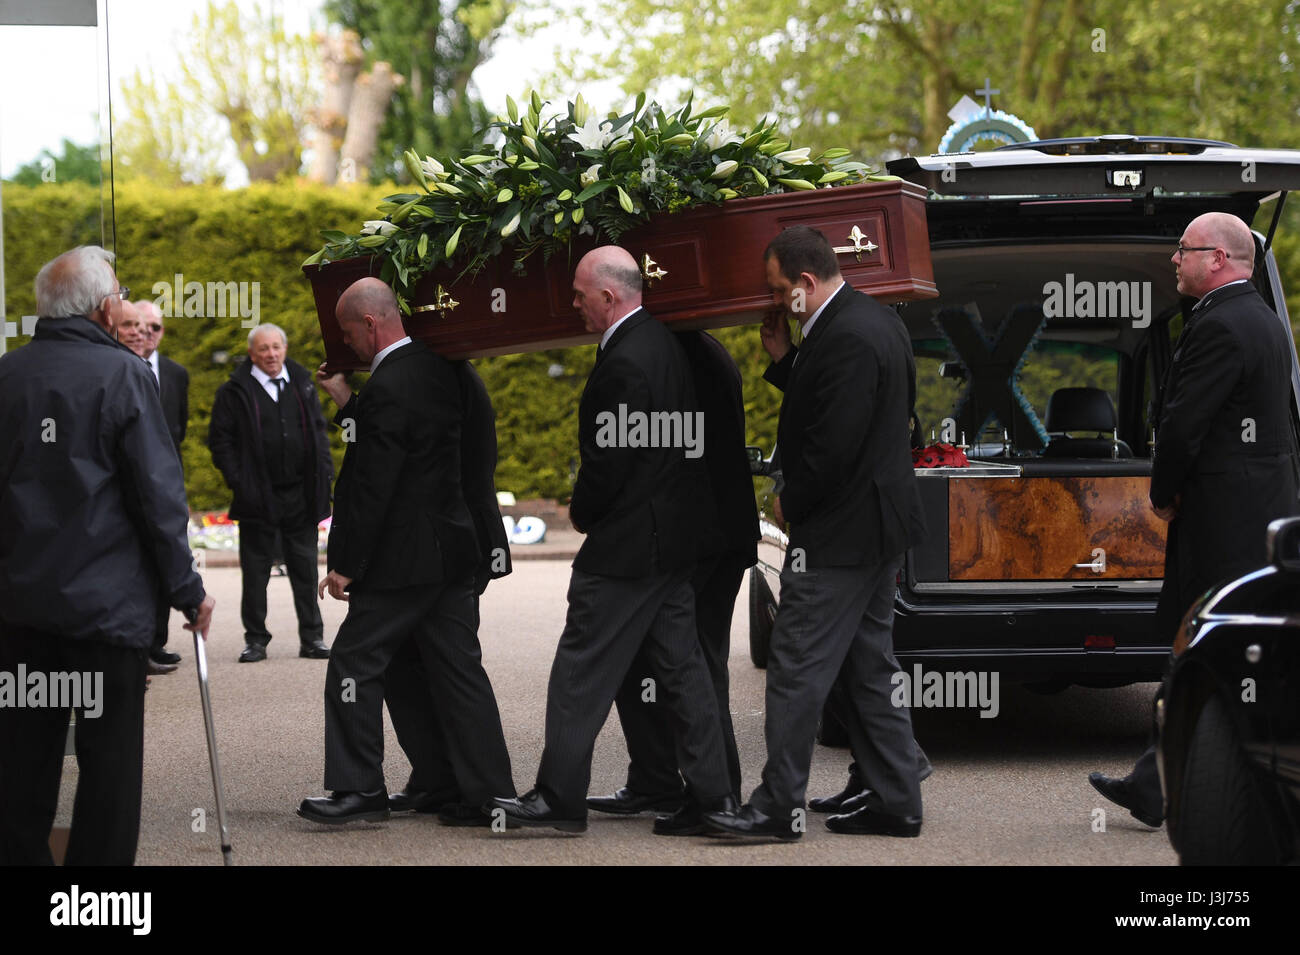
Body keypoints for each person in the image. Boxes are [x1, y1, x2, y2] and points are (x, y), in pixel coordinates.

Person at [485, 246, 735, 834]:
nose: (573, 304)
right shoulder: (668, 345)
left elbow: (608, 464)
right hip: (670, 542)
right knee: (685, 673)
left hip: (627, 548)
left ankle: (559, 797)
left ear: (608, 296)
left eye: (578, 294)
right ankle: (712, 798)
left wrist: (585, 511)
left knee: (580, 669)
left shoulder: (626, 360)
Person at [704, 225, 927, 842]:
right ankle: (896, 798)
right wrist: (786, 362)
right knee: (868, 666)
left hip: (842, 533)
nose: (777, 303)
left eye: (780, 292)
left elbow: (832, 445)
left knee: (797, 665)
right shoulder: (871, 322)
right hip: (877, 529)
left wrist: (788, 500)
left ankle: (778, 808)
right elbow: (847, 407)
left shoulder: (847, 337)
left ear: (806, 282)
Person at [0, 246, 214, 865]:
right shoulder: (124, 375)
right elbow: (158, 495)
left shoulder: (7, 377)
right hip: (104, 610)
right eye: (119, 293)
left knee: (22, 764)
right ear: (102, 307)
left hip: (20, 611)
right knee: (109, 770)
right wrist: (187, 590)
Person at [1089, 211, 1300, 827]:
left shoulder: (1221, 326)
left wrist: (1164, 491)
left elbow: (1183, 423)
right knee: (1213, 648)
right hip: (1256, 513)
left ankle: (1195, 785)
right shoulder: (1260, 319)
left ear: (1218, 259)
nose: (1173, 260)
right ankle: (1158, 780)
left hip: (1226, 517)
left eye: (1183, 250)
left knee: (1207, 645)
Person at [300, 277, 514, 824]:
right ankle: (481, 791)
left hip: (404, 561)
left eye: (349, 334)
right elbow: (401, 443)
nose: (347, 346)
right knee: (450, 671)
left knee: (354, 663)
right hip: (451, 552)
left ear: (371, 324)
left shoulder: (393, 382)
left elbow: (374, 481)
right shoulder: (443, 369)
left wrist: (346, 563)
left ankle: (358, 789)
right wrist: (349, 400)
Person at [588, 329, 759, 830]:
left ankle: (716, 794)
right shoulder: (694, 347)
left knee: (696, 666)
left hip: (700, 536)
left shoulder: (668, 351)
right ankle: (657, 778)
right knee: (648, 659)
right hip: (709, 531)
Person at [374, 359, 515, 824]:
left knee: (452, 666)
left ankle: (485, 793)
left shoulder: (436, 373)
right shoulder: (441, 371)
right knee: (409, 664)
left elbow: (403, 451)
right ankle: (440, 778)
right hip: (443, 540)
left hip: (445, 542)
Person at [209, 323, 333, 662]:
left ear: (285, 348)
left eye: (276, 347)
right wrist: (240, 482)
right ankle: (256, 640)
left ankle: (312, 638)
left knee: (305, 570)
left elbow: (319, 431)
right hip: (256, 498)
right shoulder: (234, 391)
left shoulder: (302, 383)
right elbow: (221, 442)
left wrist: (324, 473)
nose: (271, 354)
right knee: (255, 573)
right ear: (252, 353)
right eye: (263, 349)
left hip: (300, 495)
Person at [137, 299, 191, 670]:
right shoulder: (117, 369)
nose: (146, 334)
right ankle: (136, 645)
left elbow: (179, 428)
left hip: (165, 481)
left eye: (154, 328)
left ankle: (157, 642)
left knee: (163, 559)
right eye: (138, 327)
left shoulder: (176, 373)